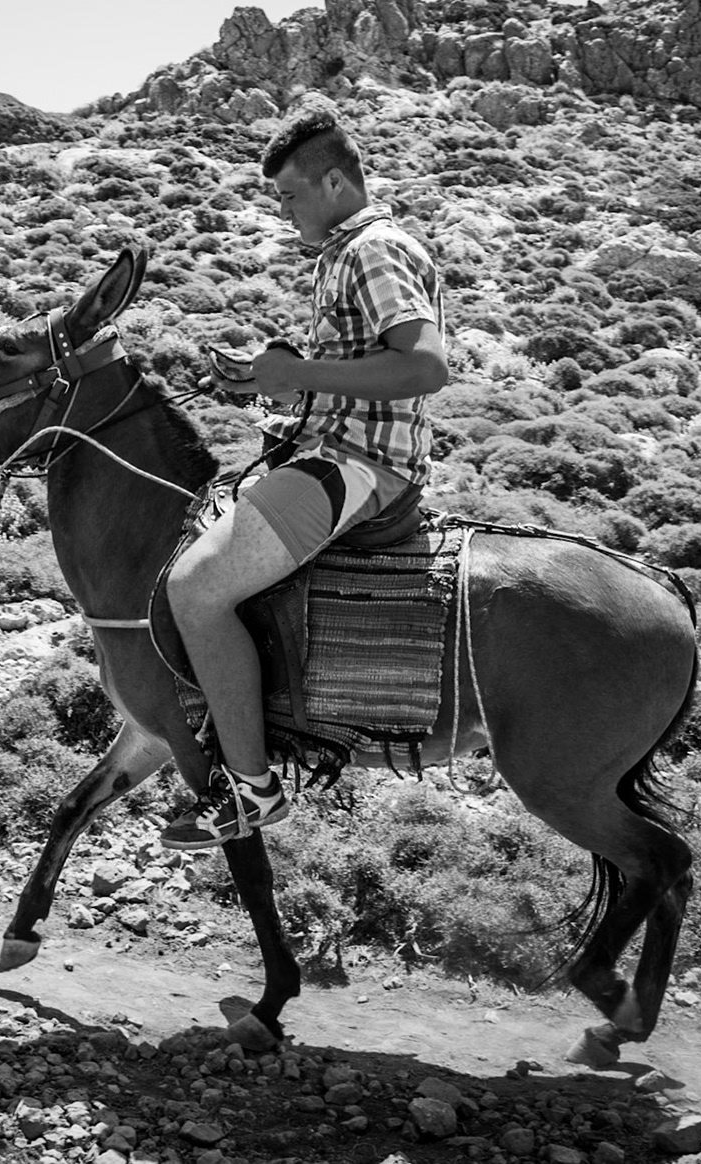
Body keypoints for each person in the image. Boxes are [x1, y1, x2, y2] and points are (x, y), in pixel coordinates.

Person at [159, 100, 450, 852]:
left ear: (331, 184)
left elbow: (424, 365)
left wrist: (294, 373)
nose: (284, 214)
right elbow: (349, 372)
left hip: (357, 463)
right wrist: (270, 381)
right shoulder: (346, 252)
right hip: (331, 448)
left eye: (289, 197)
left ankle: (252, 791)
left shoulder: (371, 250)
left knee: (195, 588)